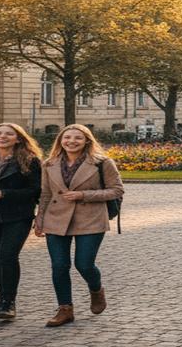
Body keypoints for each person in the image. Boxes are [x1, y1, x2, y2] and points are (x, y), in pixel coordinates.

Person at [34, 124, 124, 328]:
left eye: (77, 138)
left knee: (84, 264)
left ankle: (96, 290)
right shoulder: (50, 164)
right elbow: (46, 193)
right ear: (60, 140)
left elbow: (116, 190)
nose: (71, 141)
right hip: (56, 218)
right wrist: (39, 218)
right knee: (59, 265)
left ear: (87, 141)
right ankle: (65, 309)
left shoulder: (102, 163)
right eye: (67, 137)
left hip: (90, 218)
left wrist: (84, 195)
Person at [0, 122, 43, 320]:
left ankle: (9, 302)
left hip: (16, 216)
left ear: (18, 138)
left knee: (7, 256)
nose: (2, 137)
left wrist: (5, 193)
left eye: (8, 134)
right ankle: (2, 296)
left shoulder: (30, 161)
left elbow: (35, 190)